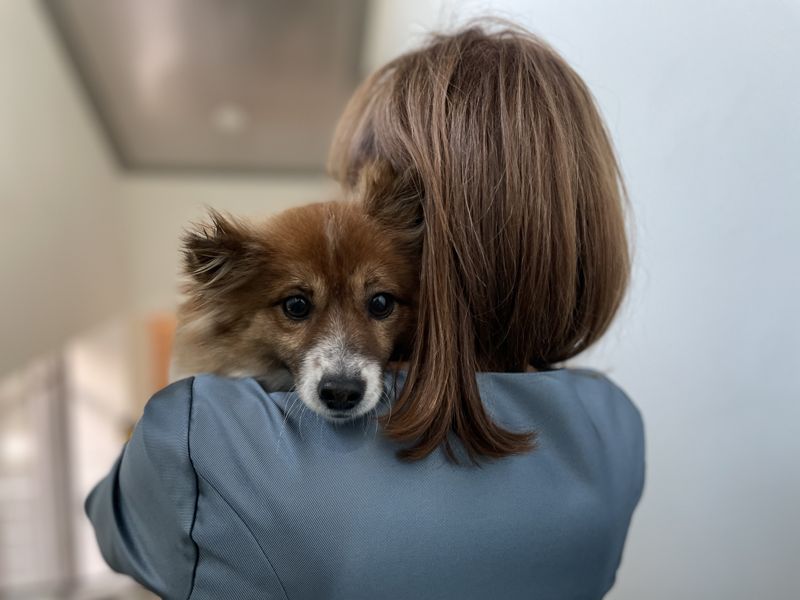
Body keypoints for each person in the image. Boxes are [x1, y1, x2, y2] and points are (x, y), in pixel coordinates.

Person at [86, 23, 644, 600]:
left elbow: (111, 521)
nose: (349, 207)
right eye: (297, 307)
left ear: (432, 245)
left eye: (379, 304)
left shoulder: (206, 441)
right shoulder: (615, 432)